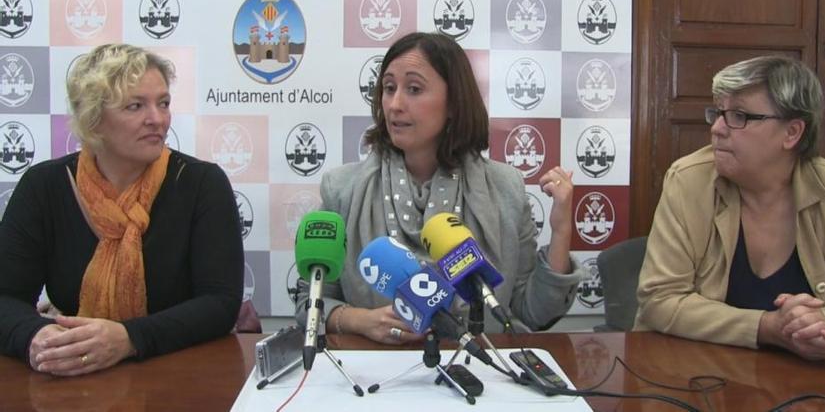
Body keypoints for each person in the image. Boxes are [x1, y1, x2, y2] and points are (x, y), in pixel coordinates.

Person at [297, 32, 584, 344]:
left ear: (453, 102)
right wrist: (360, 320)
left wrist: (559, 232)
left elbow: (531, 313)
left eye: (414, 89)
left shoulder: (505, 188)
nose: (394, 104)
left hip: (479, 373)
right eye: (389, 88)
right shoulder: (343, 189)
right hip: (375, 378)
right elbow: (309, 304)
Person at [0, 44, 244, 376]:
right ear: (94, 119)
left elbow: (220, 304)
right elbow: (6, 297)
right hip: (74, 376)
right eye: (135, 106)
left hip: (180, 373)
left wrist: (129, 338)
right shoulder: (45, 186)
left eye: (163, 103)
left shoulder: (200, 183)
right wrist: (36, 336)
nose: (157, 119)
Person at [636, 56, 825, 360]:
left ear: (791, 133)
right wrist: (765, 327)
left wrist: (816, 327)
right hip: (692, 370)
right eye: (718, 113)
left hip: (805, 378)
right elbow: (660, 299)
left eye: (739, 115)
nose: (718, 129)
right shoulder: (689, 181)